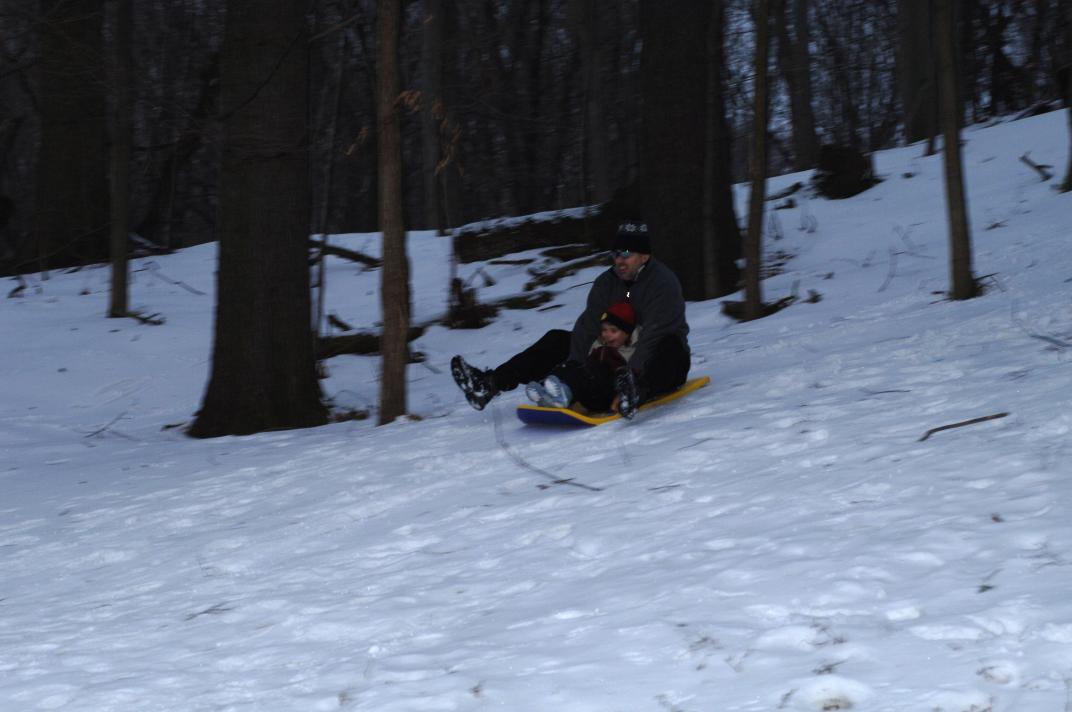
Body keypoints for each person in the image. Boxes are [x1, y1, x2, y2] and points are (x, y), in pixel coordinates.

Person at [451, 218, 690, 419]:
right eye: (616, 254)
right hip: (614, 354)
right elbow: (589, 325)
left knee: (669, 347)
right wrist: (573, 368)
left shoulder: (663, 284)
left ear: (644, 256)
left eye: (627, 254)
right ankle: (489, 384)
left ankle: (633, 393)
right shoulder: (607, 283)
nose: (619, 260)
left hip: (657, 362)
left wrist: (631, 376)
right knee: (558, 340)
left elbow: (653, 335)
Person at [526, 301, 638, 413]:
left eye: (613, 331)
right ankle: (546, 393)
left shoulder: (632, 352)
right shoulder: (600, 345)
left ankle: (562, 394)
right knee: (572, 365)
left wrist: (620, 399)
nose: (607, 334)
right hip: (592, 390)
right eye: (604, 330)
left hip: (607, 395)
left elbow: (631, 379)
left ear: (627, 333)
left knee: (590, 372)